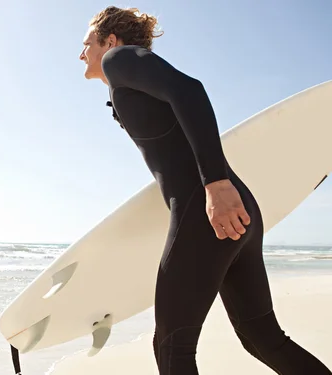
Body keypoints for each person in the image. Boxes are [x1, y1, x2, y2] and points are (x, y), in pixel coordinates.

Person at [79, 6, 332, 375]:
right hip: (238, 211)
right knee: (262, 336)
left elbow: (189, 90)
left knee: (171, 347)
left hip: (208, 208)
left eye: (87, 43)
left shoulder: (118, 59)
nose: (81, 52)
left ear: (111, 41)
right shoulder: (125, 81)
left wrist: (215, 183)